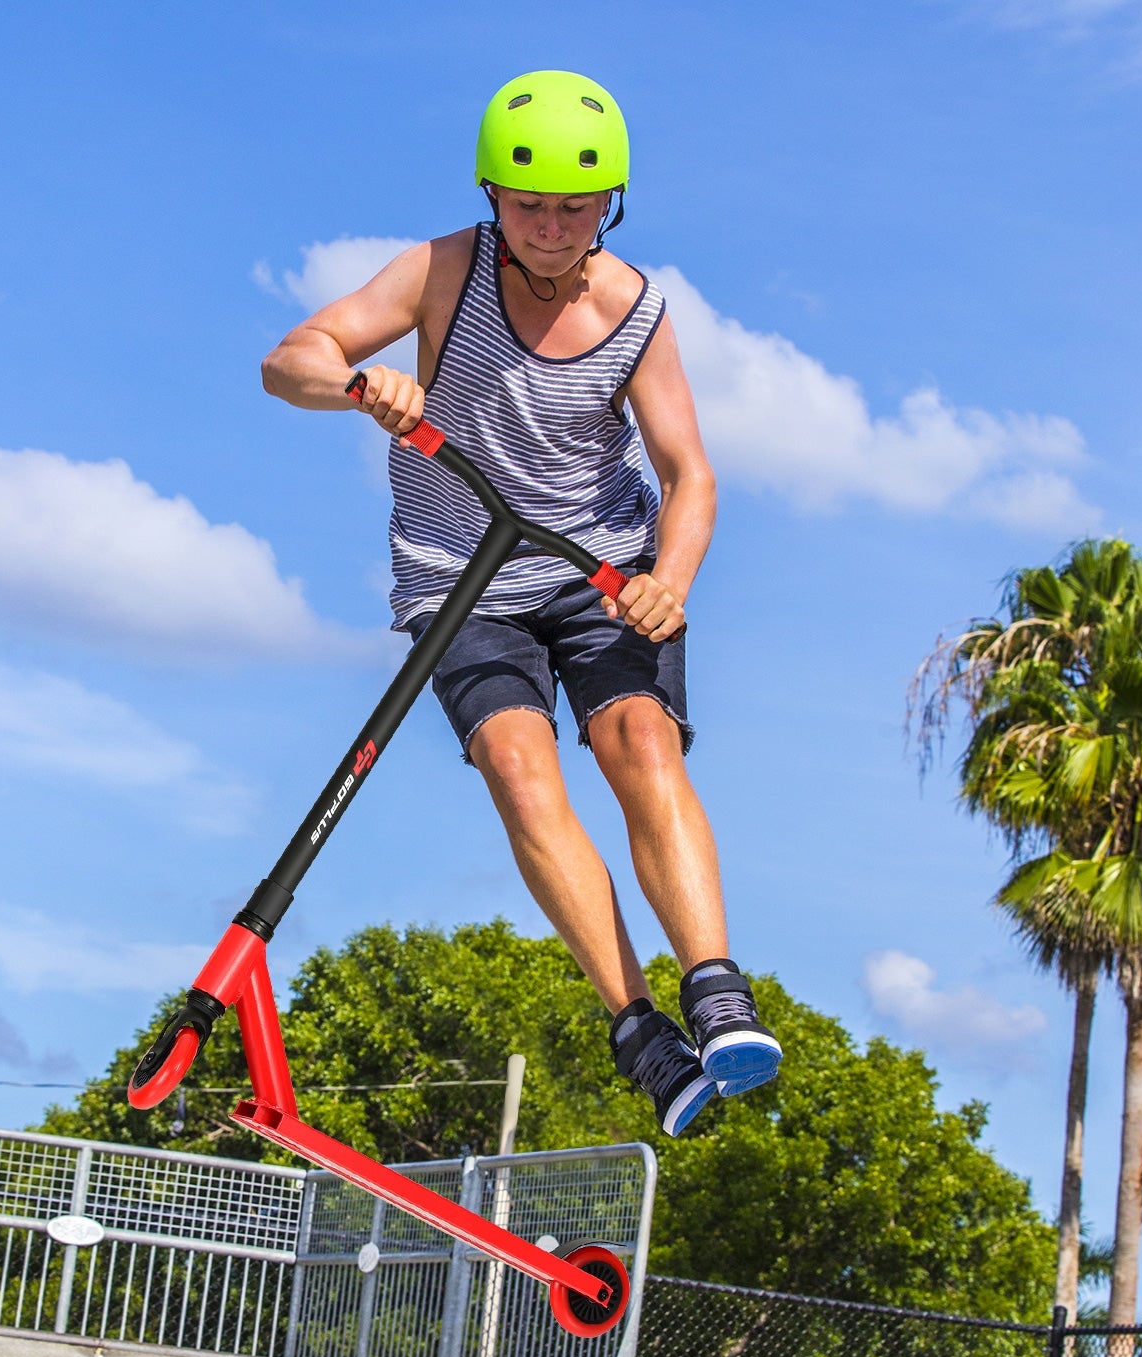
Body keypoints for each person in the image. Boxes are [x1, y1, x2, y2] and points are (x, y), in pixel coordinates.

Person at [261, 69, 781, 1135]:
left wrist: (666, 586)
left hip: (595, 570)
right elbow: (290, 358)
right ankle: (638, 1029)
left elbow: (691, 475)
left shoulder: (636, 311)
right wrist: (362, 385)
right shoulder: (442, 271)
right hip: (460, 581)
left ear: (610, 206)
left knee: (639, 737)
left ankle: (715, 987)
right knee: (516, 764)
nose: (550, 228)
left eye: (575, 208)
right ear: (494, 195)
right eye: (530, 203)